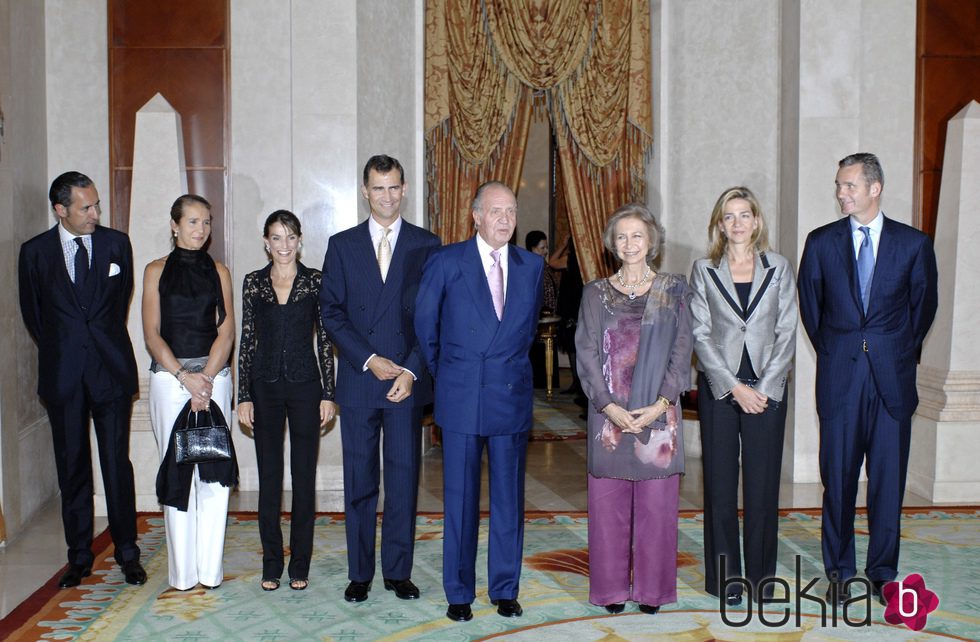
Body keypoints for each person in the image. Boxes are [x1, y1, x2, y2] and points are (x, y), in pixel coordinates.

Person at [798, 153, 938, 606]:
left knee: (887, 481)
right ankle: (839, 570)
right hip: (840, 378)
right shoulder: (819, 243)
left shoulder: (914, 244)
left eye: (850, 185)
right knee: (836, 479)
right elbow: (811, 309)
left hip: (892, 381)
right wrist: (841, 350)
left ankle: (881, 571)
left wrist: (891, 349)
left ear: (874, 188)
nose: (842, 193)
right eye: (839, 185)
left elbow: (923, 310)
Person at [415, 181, 544, 623]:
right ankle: (459, 591)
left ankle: (505, 587)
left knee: (509, 500)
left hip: (510, 395)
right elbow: (425, 325)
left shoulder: (532, 266)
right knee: (461, 501)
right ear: (476, 216)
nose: (505, 219)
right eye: (495, 211)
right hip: (461, 395)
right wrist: (450, 374)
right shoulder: (447, 261)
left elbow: (524, 333)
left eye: (511, 211)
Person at [320, 155, 441, 603]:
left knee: (404, 478)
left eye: (393, 188)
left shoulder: (428, 245)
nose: (386, 197)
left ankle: (397, 571)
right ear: (364, 191)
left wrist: (410, 369)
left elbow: (432, 317)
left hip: (404, 383)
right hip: (359, 379)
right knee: (360, 481)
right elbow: (330, 312)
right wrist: (369, 358)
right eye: (378, 188)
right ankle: (360, 572)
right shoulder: (342, 244)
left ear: (404, 189)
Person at [18, 171, 146, 589]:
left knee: (115, 464)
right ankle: (78, 556)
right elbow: (36, 317)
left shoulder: (116, 244)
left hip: (110, 371)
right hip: (64, 375)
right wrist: (69, 348)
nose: (95, 213)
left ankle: (128, 552)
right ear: (61, 209)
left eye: (97, 205)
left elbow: (119, 299)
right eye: (85, 207)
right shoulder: (34, 253)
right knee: (72, 467)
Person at [575, 203, 692, 615]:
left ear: (652, 241)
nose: (629, 244)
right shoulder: (594, 293)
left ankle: (653, 591)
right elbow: (586, 353)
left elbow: (682, 352)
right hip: (608, 417)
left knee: (658, 510)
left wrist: (661, 402)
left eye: (637, 235)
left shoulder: (673, 290)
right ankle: (609, 590)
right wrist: (609, 407)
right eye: (621, 236)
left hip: (660, 418)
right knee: (607, 508)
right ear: (612, 242)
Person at [689, 187, 798, 605]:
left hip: (768, 389)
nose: (737, 223)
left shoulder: (780, 267)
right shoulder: (704, 270)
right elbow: (700, 332)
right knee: (718, 485)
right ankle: (725, 580)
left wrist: (763, 388)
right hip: (720, 388)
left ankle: (761, 580)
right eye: (729, 216)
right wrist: (734, 386)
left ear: (756, 221)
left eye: (745, 214)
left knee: (762, 485)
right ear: (720, 224)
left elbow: (786, 330)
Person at [238, 210, 337, 592]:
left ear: (299, 240)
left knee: (303, 477)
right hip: (264, 387)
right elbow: (247, 341)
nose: (284, 245)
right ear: (266, 241)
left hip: (306, 386)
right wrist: (244, 395)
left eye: (290, 237)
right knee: (269, 479)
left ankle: (300, 563)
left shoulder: (315, 281)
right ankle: (271, 562)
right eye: (276, 238)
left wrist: (329, 393)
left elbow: (325, 340)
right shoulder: (253, 283)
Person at [142, 194, 236, 591]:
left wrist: (207, 379)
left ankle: (210, 572)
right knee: (178, 475)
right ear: (174, 225)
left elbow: (227, 329)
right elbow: (151, 334)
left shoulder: (220, 270)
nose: (202, 229)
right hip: (169, 380)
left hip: (215, 378)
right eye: (194, 222)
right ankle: (182, 576)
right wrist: (184, 376)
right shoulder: (155, 270)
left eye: (207, 222)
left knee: (213, 476)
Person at [525, 230, 560, 390]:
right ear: (532, 249)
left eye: (546, 247)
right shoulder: (529, 267)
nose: (545, 251)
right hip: (537, 320)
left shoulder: (544, 265)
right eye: (542, 248)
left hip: (549, 318)